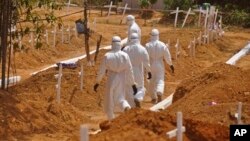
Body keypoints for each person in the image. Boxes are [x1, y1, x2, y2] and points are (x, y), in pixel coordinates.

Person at [94, 36, 137, 120]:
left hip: (111, 78)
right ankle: (126, 107)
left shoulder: (107, 56)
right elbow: (130, 70)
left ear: (112, 44)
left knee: (109, 100)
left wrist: (97, 82)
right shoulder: (125, 56)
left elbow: (101, 71)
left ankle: (111, 120)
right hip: (121, 78)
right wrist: (133, 84)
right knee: (120, 98)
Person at [145, 29, 174, 104]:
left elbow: (145, 58)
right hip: (159, 64)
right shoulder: (162, 45)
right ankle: (159, 92)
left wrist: (146, 68)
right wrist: (170, 65)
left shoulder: (147, 45)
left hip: (151, 64)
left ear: (151, 35)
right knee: (160, 80)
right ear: (158, 35)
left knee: (151, 82)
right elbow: (167, 56)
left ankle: (154, 98)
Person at [123, 33, 151, 108]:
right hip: (138, 71)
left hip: (128, 72)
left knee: (129, 89)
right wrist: (149, 71)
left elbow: (123, 61)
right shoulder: (142, 49)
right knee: (141, 88)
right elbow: (146, 61)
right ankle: (138, 98)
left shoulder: (126, 49)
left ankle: (131, 108)